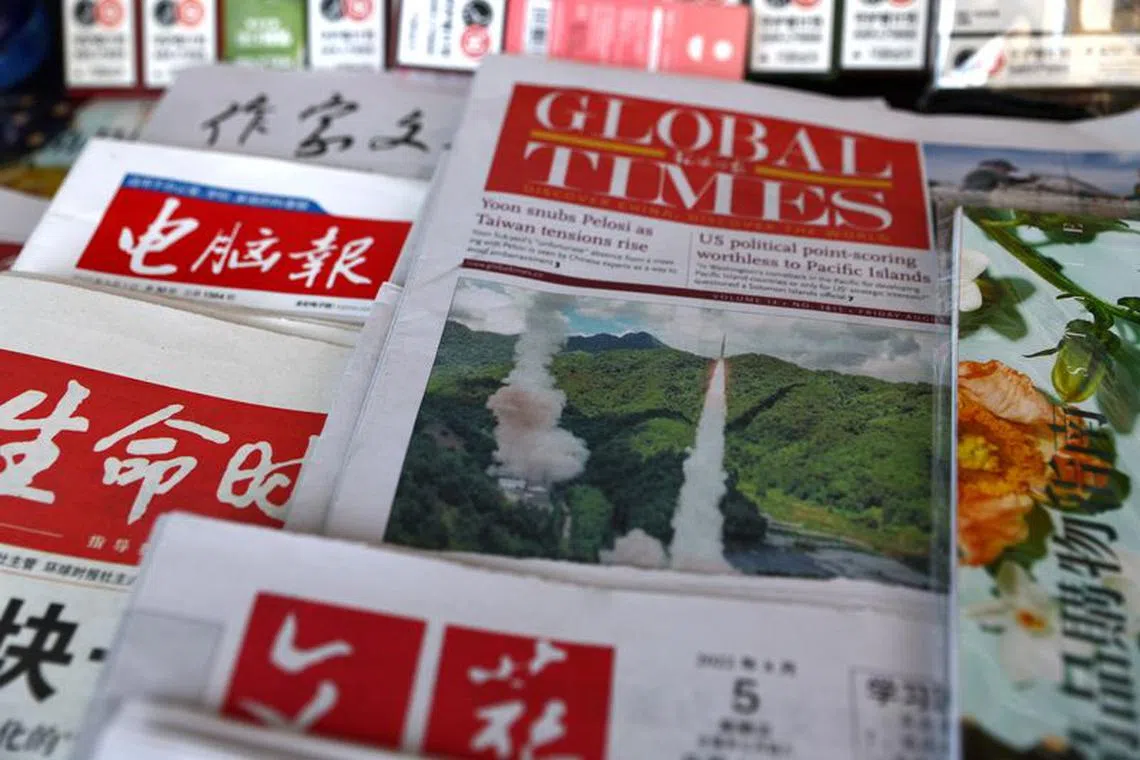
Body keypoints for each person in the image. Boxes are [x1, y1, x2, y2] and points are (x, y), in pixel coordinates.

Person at [960, 159, 1036, 192]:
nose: (1007, 173)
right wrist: (1028, 180)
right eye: (1007, 170)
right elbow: (1010, 181)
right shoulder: (991, 171)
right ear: (1000, 167)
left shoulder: (981, 170)